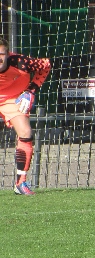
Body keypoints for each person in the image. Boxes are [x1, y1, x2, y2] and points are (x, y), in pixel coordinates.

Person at [0, 38, 51, 196]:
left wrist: (31, 91)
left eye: (1, 54)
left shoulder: (21, 63)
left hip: (11, 99)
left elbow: (46, 65)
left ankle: (20, 183)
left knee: (25, 132)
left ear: (8, 54)